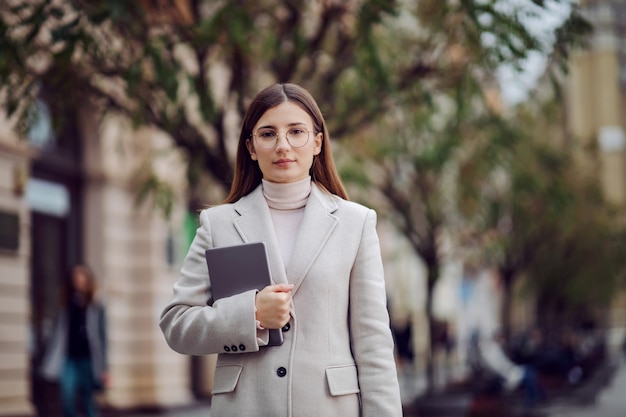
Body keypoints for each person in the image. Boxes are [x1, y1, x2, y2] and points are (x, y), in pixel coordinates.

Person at [160, 83, 402, 416]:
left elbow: (374, 345)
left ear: (317, 142)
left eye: (296, 132)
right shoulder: (218, 224)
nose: (283, 145)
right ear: (251, 147)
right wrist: (252, 316)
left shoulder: (355, 223)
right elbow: (177, 324)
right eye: (268, 134)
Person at [41, 264, 108, 417]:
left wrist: (104, 367)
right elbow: (57, 333)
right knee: (67, 397)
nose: (79, 281)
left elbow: (103, 338)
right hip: (69, 359)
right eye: (76, 278)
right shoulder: (65, 304)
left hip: (89, 360)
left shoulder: (96, 306)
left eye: (82, 278)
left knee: (88, 401)